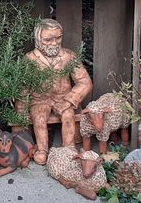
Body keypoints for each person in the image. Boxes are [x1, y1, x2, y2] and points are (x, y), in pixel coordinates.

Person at [15, 18, 93, 164]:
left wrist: (69, 100)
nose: (54, 43)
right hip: (39, 99)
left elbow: (84, 82)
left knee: (68, 115)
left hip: (63, 98)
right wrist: (21, 109)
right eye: (48, 39)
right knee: (39, 118)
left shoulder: (69, 56)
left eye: (58, 38)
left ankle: (69, 148)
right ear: (38, 39)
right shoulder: (30, 59)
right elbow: (23, 86)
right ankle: (42, 149)